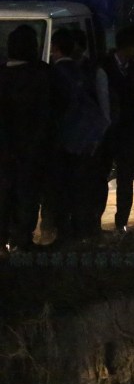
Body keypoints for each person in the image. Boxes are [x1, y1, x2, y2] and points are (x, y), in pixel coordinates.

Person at [45, 28, 110, 242]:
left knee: (61, 189)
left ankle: (63, 233)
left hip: (61, 142)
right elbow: (101, 111)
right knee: (81, 188)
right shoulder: (86, 72)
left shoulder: (52, 74)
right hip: (83, 141)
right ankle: (83, 232)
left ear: (54, 48)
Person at [0, 25, 54, 251]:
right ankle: (22, 241)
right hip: (32, 149)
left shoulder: (2, 75)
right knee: (27, 195)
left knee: (3, 195)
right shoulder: (42, 75)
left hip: (3, 150)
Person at [95, 25, 134, 234]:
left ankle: (121, 221)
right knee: (100, 176)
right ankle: (95, 219)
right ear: (129, 46)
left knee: (126, 176)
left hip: (126, 129)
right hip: (107, 129)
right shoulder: (103, 67)